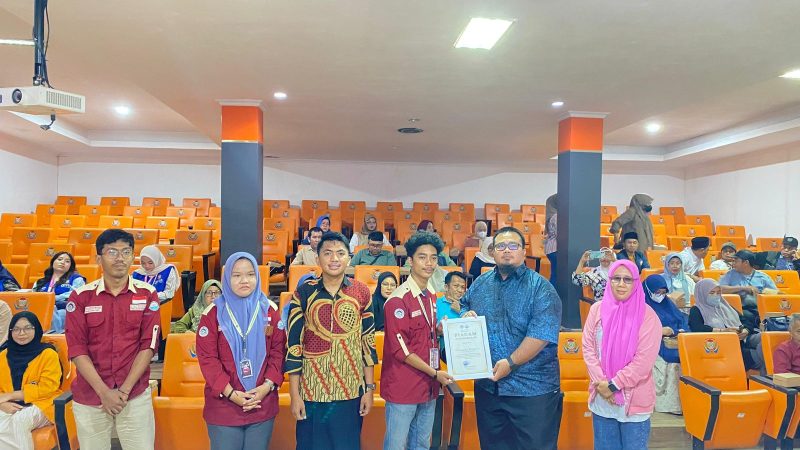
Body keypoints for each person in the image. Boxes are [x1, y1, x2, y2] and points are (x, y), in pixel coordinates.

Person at [461, 226, 562, 450]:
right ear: (493, 252)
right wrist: (464, 316)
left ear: (524, 251)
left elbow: (540, 334)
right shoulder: (480, 284)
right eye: (501, 246)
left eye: (513, 245)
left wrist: (511, 363)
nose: (507, 250)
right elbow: (463, 305)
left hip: (532, 390)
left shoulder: (541, 288)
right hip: (489, 388)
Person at [65, 228, 161, 449]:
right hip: (91, 396)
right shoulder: (81, 297)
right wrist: (104, 392)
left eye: (126, 252)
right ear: (99, 258)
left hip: (134, 394)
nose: (120, 258)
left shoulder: (147, 294)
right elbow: (77, 349)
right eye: (112, 252)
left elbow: (149, 346)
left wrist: (124, 390)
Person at [285, 232, 377, 450]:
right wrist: (295, 395)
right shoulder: (304, 292)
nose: (334, 259)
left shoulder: (362, 292)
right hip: (311, 391)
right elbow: (294, 346)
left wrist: (370, 388)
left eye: (340, 253)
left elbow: (368, 343)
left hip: (350, 390)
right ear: (318, 258)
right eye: (327, 253)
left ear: (349, 257)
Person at [196, 253, 285, 450]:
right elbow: (208, 360)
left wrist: (266, 387)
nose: (244, 281)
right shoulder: (212, 314)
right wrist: (231, 394)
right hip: (224, 406)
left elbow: (278, 352)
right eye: (236, 276)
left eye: (250, 274)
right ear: (227, 278)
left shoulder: (269, 310)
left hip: (261, 403)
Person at [382, 231, 455, 450]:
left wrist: (441, 330)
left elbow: (426, 334)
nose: (429, 263)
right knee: (396, 445)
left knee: (422, 444)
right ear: (410, 261)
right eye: (422, 257)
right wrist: (435, 373)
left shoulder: (431, 295)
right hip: (404, 386)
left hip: (428, 386)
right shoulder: (397, 301)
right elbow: (401, 351)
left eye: (433, 257)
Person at [582, 260, 662, 450]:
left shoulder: (648, 315)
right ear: (609, 281)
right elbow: (588, 348)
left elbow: (643, 361)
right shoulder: (596, 310)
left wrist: (614, 385)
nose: (621, 284)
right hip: (602, 398)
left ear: (636, 282)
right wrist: (602, 385)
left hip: (633, 400)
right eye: (616, 278)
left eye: (627, 279)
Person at [0, 312, 63, 450]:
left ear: (37, 329)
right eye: (16, 329)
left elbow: (47, 388)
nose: (21, 333)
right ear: (10, 332)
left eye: (28, 328)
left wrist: (10, 396)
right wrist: (2, 405)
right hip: (9, 404)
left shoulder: (48, 353)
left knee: (20, 420)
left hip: (43, 403)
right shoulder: (3, 355)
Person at [689, 278, 763, 370]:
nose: (716, 296)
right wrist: (723, 331)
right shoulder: (696, 310)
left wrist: (745, 330)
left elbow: (746, 321)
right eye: (711, 293)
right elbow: (698, 329)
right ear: (702, 294)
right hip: (723, 346)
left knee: (765, 339)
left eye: (718, 292)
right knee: (764, 357)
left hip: (743, 339)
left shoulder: (725, 305)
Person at [643, 275, 687, 414]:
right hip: (653, 344)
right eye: (657, 292)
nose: (661, 296)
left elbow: (682, 320)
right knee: (673, 359)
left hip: (675, 340)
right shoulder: (641, 306)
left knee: (688, 355)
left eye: (663, 292)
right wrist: (660, 331)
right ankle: (672, 406)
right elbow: (639, 330)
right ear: (648, 291)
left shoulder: (668, 304)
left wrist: (680, 331)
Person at [32, 251, 86, 333]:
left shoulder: (76, 279)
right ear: (53, 262)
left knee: (55, 312)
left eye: (67, 261)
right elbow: (33, 297)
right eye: (60, 259)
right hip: (42, 310)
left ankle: (53, 336)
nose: (62, 262)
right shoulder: (40, 282)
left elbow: (77, 294)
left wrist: (52, 299)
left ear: (70, 266)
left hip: (65, 308)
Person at [544, 194, 558, 284]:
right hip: (556, 249)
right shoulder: (556, 216)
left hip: (552, 249)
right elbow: (562, 233)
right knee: (556, 276)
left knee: (555, 275)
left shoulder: (552, 215)